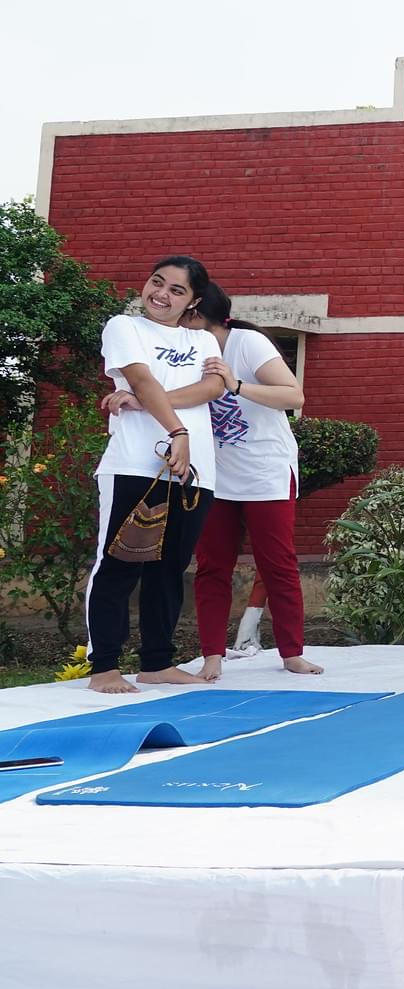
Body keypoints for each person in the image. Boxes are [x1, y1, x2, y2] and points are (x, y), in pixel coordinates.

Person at [104, 283, 323, 679]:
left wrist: (235, 384)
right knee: (211, 566)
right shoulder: (186, 348)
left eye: (185, 312)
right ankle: (212, 656)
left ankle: (291, 652)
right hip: (212, 473)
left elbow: (295, 397)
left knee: (278, 563)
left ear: (201, 314)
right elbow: (171, 393)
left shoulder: (247, 343)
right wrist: (137, 400)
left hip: (265, 470)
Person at [83, 256, 226, 694]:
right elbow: (141, 379)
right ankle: (104, 665)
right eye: (157, 282)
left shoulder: (203, 341)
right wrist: (176, 429)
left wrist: (144, 404)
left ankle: (157, 662)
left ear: (193, 300)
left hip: (194, 470)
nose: (161, 294)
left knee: (169, 568)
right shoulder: (124, 327)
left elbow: (212, 388)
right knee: (120, 562)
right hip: (133, 464)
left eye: (176, 290)